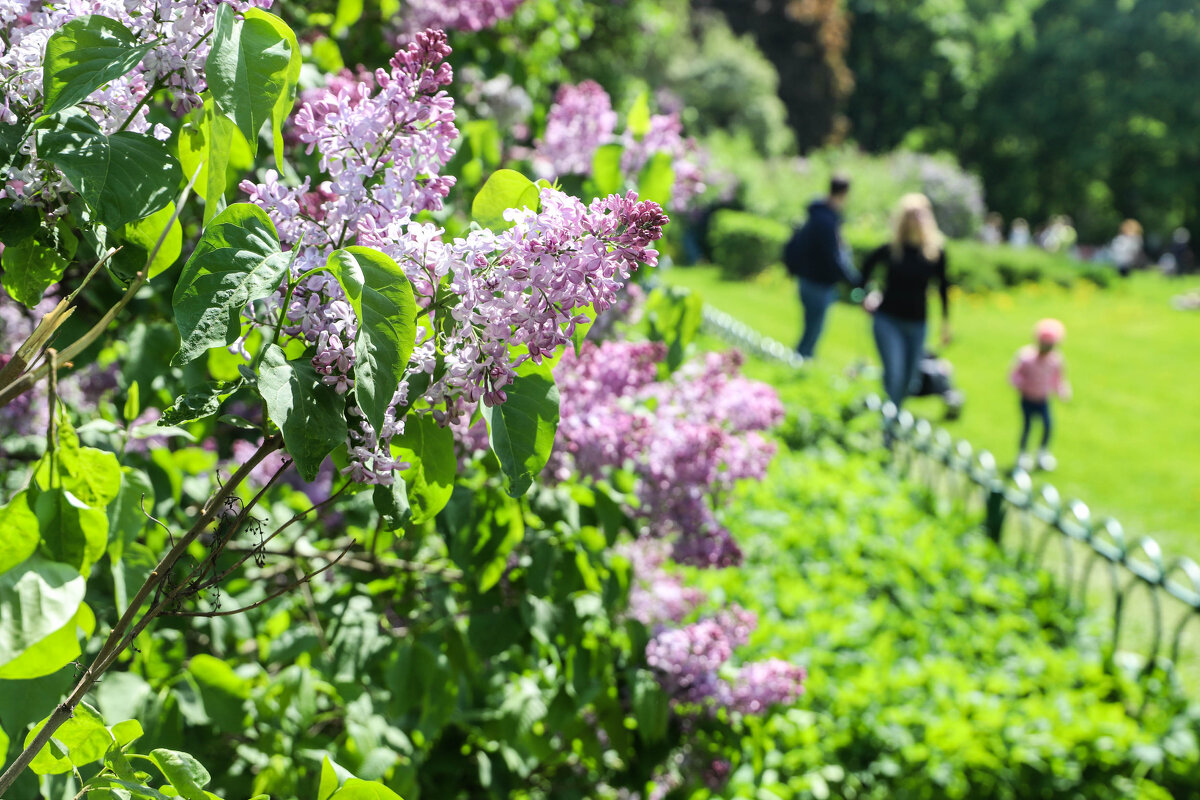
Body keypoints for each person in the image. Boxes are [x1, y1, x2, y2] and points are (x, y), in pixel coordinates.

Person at [859, 193, 951, 407]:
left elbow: (944, 287)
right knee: (895, 373)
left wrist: (946, 323)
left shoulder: (935, 252)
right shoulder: (892, 249)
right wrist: (863, 296)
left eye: (920, 215)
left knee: (910, 380)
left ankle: (894, 417)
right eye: (911, 215)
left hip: (917, 322)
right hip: (888, 319)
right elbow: (865, 270)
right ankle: (889, 425)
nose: (916, 220)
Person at [783, 175, 858, 359]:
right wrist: (855, 281)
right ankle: (799, 363)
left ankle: (800, 362)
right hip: (816, 282)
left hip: (810, 279)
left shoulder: (820, 215)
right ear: (844, 193)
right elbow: (833, 257)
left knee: (812, 328)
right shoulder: (825, 220)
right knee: (813, 331)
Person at [1010, 318, 1071, 472]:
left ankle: (1042, 453)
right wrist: (1019, 384)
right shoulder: (1026, 357)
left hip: (1043, 399)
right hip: (1027, 399)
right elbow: (1015, 374)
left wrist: (1062, 391)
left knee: (1048, 426)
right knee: (1028, 427)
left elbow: (1058, 378)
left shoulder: (1055, 360)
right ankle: (1023, 455)